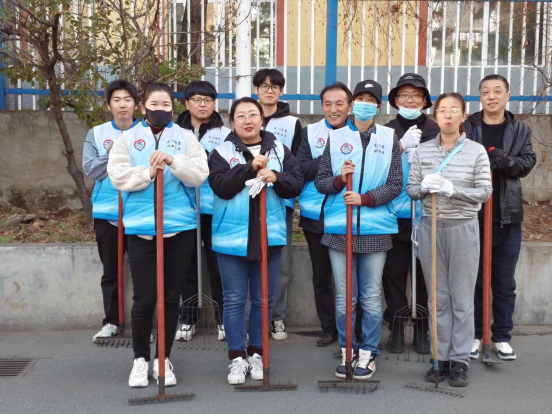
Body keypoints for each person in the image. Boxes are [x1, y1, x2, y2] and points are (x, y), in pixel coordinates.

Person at [107, 81, 209, 388]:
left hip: (178, 230)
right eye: (154, 105)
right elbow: (118, 175)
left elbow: (199, 173)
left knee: (170, 297)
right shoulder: (128, 139)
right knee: (145, 298)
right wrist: (148, 173)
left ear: (173, 108)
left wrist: (173, 161)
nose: (160, 110)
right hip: (142, 231)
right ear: (143, 107)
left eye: (166, 106)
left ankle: (163, 356)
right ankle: (140, 358)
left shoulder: (186, 138)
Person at [208, 97, 303, 385]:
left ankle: (258, 353)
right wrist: (249, 169)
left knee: (263, 300)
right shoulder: (220, 152)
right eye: (240, 116)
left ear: (262, 119)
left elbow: (296, 184)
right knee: (235, 300)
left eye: (253, 114)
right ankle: (237, 357)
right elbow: (221, 187)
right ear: (232, 122)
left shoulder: (279, 149)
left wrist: (275, 176)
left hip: (269, 236)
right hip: (231, 238)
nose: (247, 120)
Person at [315, 80, 402, 380]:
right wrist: (340, 181)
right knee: (344, 297)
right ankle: (346, 349)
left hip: (376, 229)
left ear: (378, 107)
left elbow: (395, 184)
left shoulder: (390, 138)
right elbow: (321, 182)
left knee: (371, 295)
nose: (365, 104)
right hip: (340, 229)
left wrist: (364, 199)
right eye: (360, 99)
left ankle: (368, 352)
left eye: (371, 100)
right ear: (352, 105)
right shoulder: (336, 138)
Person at [407, 92, 492, 387]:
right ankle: (439, 357)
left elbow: (484, 191)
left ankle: (459, 360)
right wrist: (423, 186)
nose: (447, 115)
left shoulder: (476, 151)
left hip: (463, 228)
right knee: (437, 299)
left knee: (461, 298)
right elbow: (412, 189)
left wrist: (451, 189)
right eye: (442, 110)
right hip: (431, 227)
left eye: (453, 110)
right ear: (435, 116)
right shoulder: (423, 151)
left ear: (463, 116)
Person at [464, 74, 536, 361]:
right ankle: (476, 334)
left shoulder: (520, 130)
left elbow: (527, 163)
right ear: (479, 97)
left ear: (507, 96)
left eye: (497, 91)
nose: (491, 96)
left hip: (507, 216)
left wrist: (503, 160)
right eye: (485, 91)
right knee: (476, 280)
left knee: (504, 282)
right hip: (473, 215)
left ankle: (502, 336)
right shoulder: (468, 127)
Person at [382, 73, 440, 354]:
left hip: (426, 214)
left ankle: (421, 327)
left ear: (425, 101)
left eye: (415, 95)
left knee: (423, 273)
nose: (409, 99)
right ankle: (396, 323)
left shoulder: (437, 131)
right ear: (395, 101)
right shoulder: (385, 131)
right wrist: (399, 146)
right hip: (394, 214)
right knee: (393, 273)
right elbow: (375, 166)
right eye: (404, 95)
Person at [296, 82, 354, 347]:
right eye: (328, 104)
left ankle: (354, 327)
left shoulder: (360, 132)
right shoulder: (309, 132)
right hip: (315, 214)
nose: (333, 109)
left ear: (349, 106)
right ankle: (329, 327)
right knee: (321, 275)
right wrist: (331, 158)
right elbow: (301, 167)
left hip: (349, 213)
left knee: (350, 277)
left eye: (339, 103)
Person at [83, 80, 139, 343]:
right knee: (111, 270)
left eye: (127, 99)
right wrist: (117, 154)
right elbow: (91, 169)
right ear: (108, 105)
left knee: (143, 270)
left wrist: (113, 157)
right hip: (107, 211)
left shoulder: (148, 132)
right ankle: (112, 321)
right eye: (116, 99)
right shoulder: (96, 133)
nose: (122, 104)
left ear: (136, 104)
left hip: (140, 210)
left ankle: (142, 323)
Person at [174, 81, 231, 342]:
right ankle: (187, 318)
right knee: (186, 265)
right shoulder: (174, 133)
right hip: (184, 209)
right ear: (187, 103)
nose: (202, 104)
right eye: (196, 99)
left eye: (208, 99)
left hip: (215, 209)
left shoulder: (226, 133)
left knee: (218, 265)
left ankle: (223, 320)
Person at [253, 68, 302, 340]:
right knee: (249, 258)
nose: (269, 90)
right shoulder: (246, 116)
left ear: (281, 91)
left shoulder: (292, 123)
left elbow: (295, 164)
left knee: (281, 261)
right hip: (247, 200)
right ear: (256, 89)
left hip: (279, 199)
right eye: (264, 85)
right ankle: (254, 316)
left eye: (275, 86)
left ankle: (277, 317)